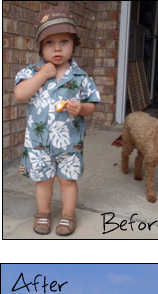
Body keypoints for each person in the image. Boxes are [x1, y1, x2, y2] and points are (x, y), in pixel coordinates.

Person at [13, 6, 101, 236]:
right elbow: (20, 94)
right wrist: (42, 74)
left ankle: (68, 215)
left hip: (70, 144)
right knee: (43, 182)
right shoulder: (31, 72)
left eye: (64, 41)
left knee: (67, 181)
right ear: (41, 47)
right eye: (49, 43)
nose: (58, 47)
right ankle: (43, 214)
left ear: (74, 44)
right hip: (39, 142)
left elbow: (92, 105)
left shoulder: (81, 77)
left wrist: (81, 108)